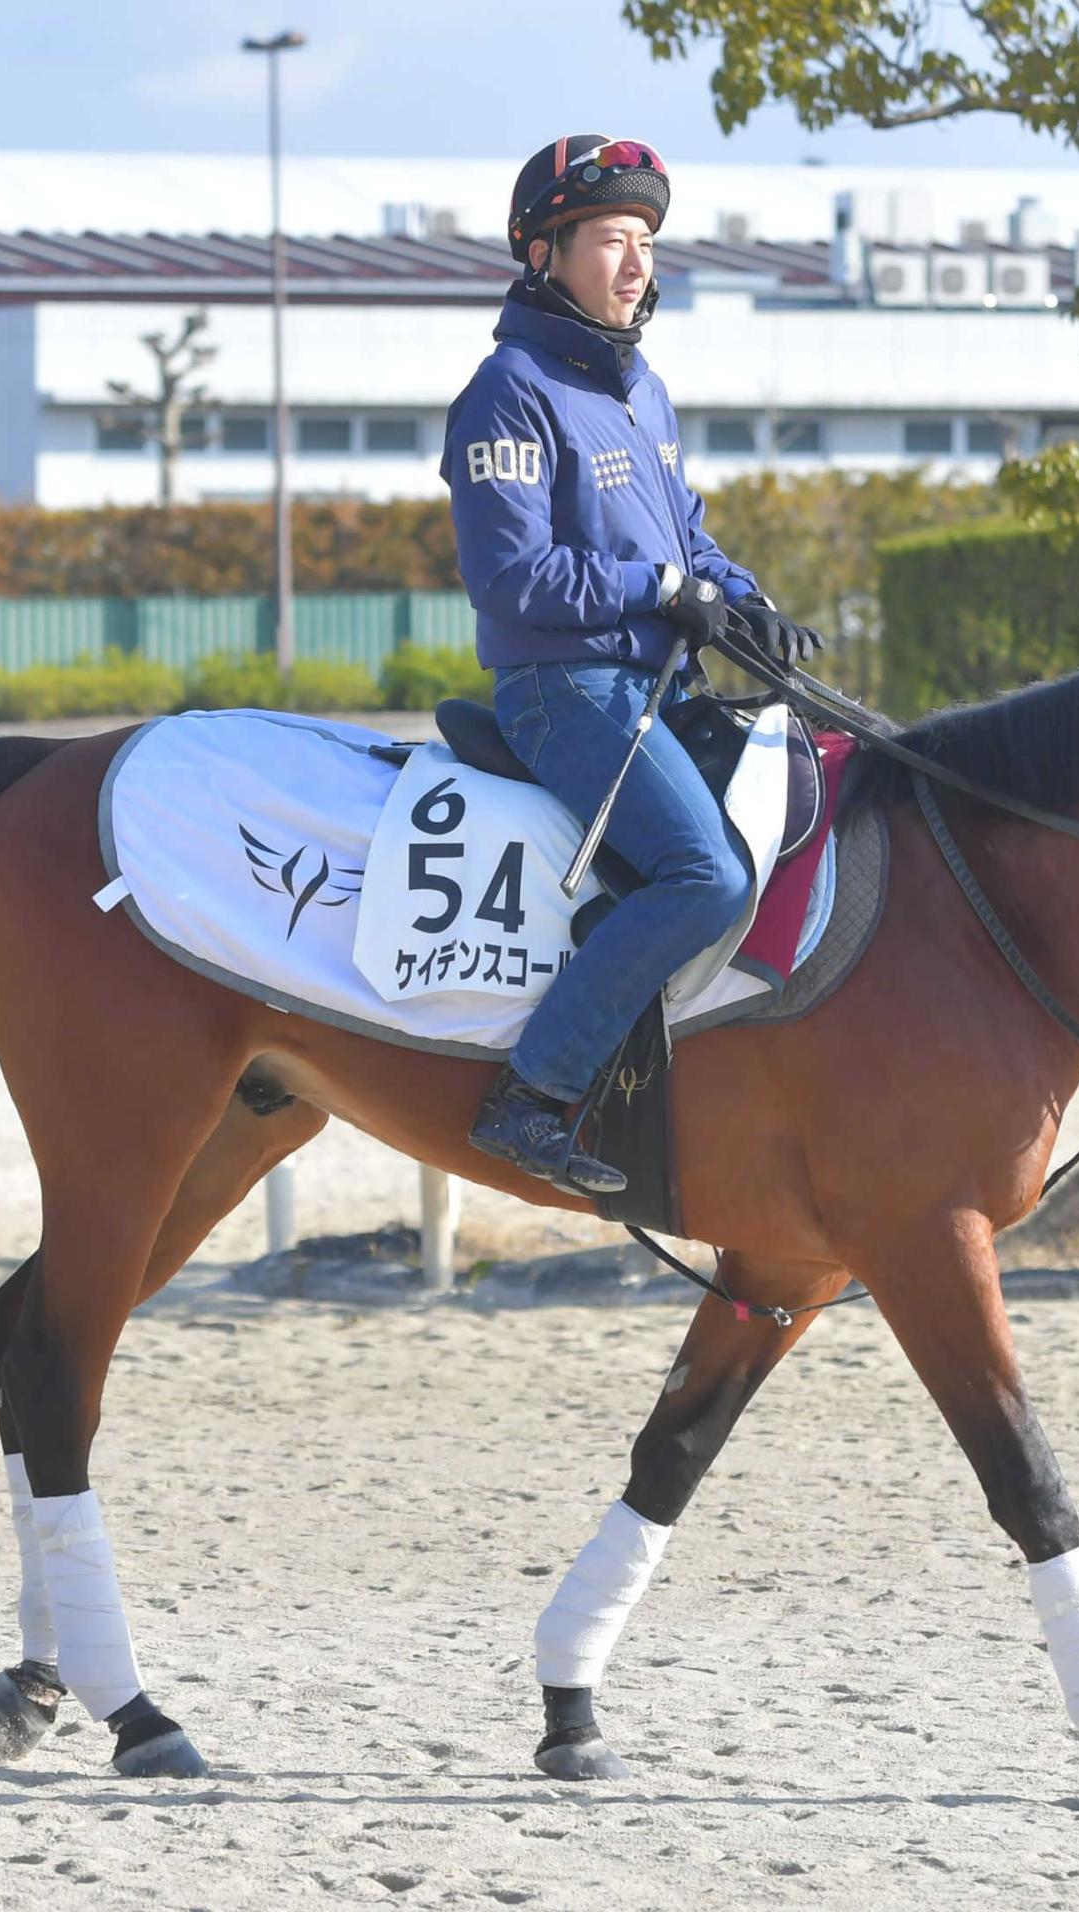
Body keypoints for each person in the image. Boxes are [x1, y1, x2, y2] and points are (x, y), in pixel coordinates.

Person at [441, 135, 825, 1195]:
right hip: (562, 692)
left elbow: (684, 538)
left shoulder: (640, 389)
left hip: (657, 686)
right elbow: (514, 579)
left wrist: (743, 601)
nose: (635, 263)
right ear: (542, 252)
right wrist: (660, 593)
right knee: (705, 878)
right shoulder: (505, 393)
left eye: (645, 241)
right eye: (611, 238)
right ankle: (533, 1096)